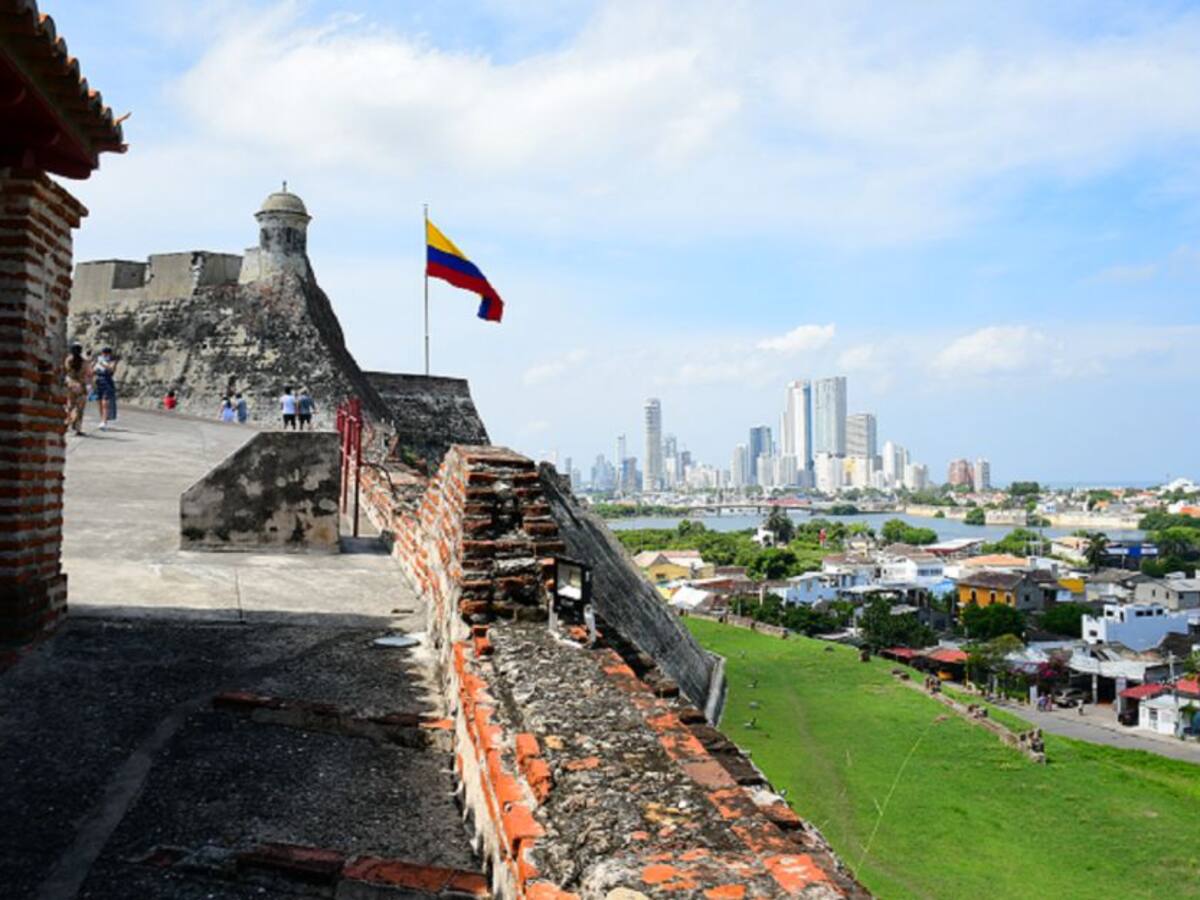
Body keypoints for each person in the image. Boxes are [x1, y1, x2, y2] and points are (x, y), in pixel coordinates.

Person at [63, 342, 91, 435]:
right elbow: (88, 374)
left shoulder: (68, 360)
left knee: (70, 405)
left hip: (70, 384)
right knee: (80, 408)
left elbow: (66, 371)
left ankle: (67, 423)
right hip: (81, 385)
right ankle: (77, 428)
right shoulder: (84, 361)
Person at [93, 347, 118, 430]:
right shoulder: (98, 360)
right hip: (98, 381)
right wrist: (94, 363)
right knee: (99, 402)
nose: (104, 354)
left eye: (106, 353)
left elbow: (111, 369)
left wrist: (103, 364)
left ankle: (104, 421)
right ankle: (102, 419)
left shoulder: (112, 361)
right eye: (103, 353)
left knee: (105, 403)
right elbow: (93, 370)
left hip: (107, 381)